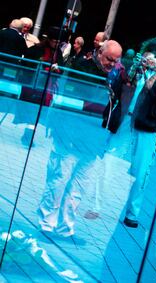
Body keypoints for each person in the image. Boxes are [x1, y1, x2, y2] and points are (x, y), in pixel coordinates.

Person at [37, 40, 123, 237]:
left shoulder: (112, 75)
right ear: (99, 52)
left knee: (78, 186)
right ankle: (46, 224)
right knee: (58, 180)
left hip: (92, 140)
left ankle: (65, 228)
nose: (112, 63)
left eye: (116, 61)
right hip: (70, 135)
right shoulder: (81, 67)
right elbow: (71, 103)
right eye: (110, 59)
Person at [102, 37, 156, 228]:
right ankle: (100, 203)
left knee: (140, 171)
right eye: (145, 57)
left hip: (147, 126)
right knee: (109, 160)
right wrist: (132, 71)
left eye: (152, 59)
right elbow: (115, 87)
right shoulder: (134, 71)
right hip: (125, 120)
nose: (147, 62)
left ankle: (132, 213)